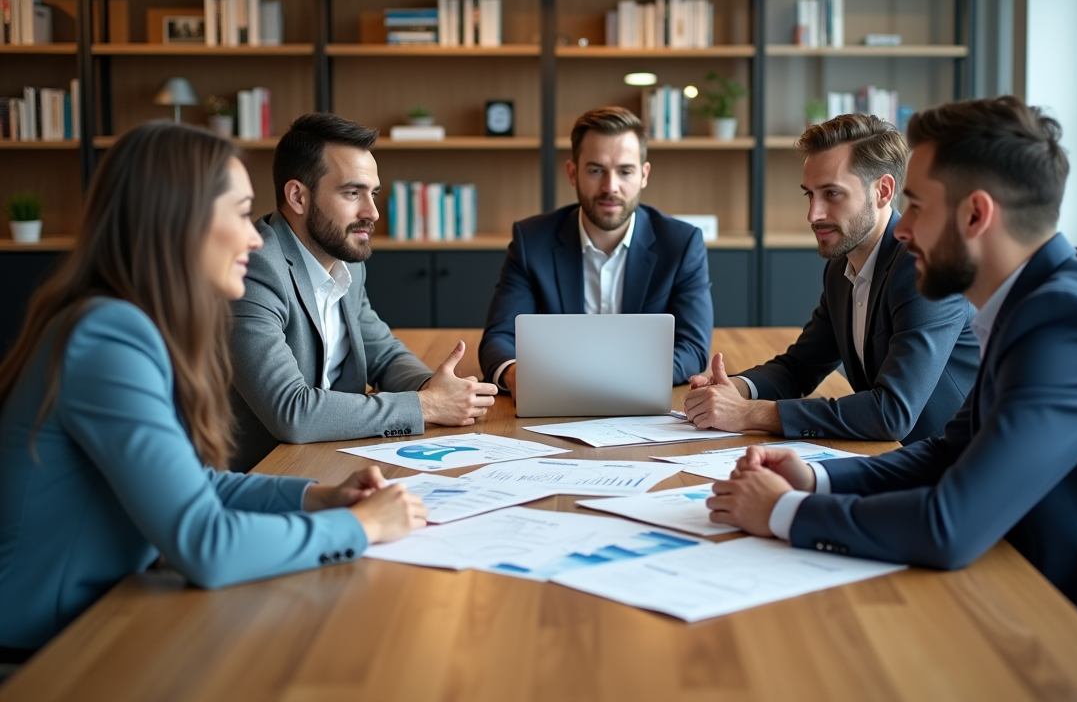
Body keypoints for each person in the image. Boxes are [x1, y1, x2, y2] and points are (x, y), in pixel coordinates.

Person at [707, 97, 1077, 673]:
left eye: (915, 204)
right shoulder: (1036, 299)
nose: (905, 228)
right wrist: (814, 478)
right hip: (1034, 582)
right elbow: (948, 451)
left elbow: (952, 526)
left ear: (975, 215)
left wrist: (785, 513)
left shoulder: (1071, 322)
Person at [0, 122, 428, 659]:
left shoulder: (126, 324)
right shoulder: (107, 337)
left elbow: (193, 484)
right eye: (239, 213)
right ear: (177, 220)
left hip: (108, 617)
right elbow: (206, 545)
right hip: (49, 653)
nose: (255, 236)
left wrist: (319, 498)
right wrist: (359, 526)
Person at [685, 114, 978, 444]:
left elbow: (891, 413)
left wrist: (748, 413)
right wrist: (733, 389)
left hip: (956, 470)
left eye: (832, 194)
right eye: (809, 195)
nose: (813, 215)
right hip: (894, 459)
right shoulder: (842, 269)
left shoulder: (925, 268)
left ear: (883, 191)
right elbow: (799, 367)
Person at [228, 113, 497, 472]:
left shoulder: (345, 261)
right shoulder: (253, 270)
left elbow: (382, 354)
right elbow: (292, 412)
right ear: (297, 196)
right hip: (264, 475)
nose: (371, 212)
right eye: (352, 192)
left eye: (373, 194)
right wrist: (427, 406)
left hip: (332, 457)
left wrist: (437, 387)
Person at [479, 106, 713, 394]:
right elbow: (500, 337)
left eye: (625, 171)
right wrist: (516, 375)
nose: (610, 187)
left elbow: (692, 347)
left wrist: (612, 382)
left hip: (641, 402)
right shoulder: (531, 240)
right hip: (555, 397)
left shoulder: (682, 244)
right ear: (573, 172)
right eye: (596, 170)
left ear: (644, 174)